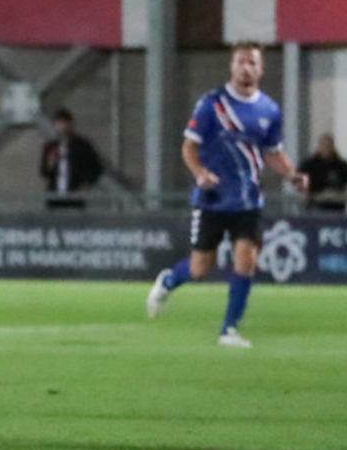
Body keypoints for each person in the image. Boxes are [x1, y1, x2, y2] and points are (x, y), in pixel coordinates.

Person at [146, 42, 308, 348]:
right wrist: (200, 173)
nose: (246, 68)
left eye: (252, 62)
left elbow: (273, 153)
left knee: (246, 260)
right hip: (213, 198)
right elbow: (188, 146)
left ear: (261, 69)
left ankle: (229, 330)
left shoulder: (269, 110)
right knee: (199, 268)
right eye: (241, 62)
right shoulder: (212, 105)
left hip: (248, 200)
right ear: (231, 66)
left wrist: (292, 174)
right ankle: (168, 281)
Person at [39, 108, 104, 209]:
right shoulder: (50, 146)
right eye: (59, 123)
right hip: (54, 195)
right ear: (55, 125)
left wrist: (86, 184)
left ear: (70, 124)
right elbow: (44, 172)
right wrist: (51, 164)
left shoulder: (82, 145)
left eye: (65, 122)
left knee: (75, 222)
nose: (62, 126)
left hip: (75, 194)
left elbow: (97, 167)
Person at [298, 132, 347, 212]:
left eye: (328, 146)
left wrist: (336, 195)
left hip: (336, 208)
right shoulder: (309, 164)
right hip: (314, 207)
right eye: (324, 145)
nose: (326, 148)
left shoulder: (341, 165)